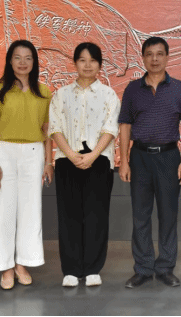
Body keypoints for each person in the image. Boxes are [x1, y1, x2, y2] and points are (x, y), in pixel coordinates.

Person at [118, 37, 181, 289]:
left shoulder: (179, 88)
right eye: (149, 54)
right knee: (140, 216)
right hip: (139, 157)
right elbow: (125, 126)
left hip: (169, 157)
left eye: (160, 54)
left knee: (168, 215)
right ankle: (142, 269)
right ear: (142, 58)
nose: (154, 59)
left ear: (167, 57)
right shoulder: (132, 89)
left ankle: (165, 268)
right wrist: (124, 161)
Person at [48, 42, 120, 288]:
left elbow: (111, 128)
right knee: (68, 215)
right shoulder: (61, 94)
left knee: (96, 215)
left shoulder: (109, 95)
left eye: (93, 60)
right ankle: (70, 269)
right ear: (75, 63)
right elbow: (54, 128)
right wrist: (70, 154)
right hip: (66, 161)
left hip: (98, 161)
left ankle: (92, 269)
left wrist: (92, 156)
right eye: (82, 60)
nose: (87, 65)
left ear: (100, 64)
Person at [0, 39, 53, 290]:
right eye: (17, 57)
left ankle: (23, 263)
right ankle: (4, 266)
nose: (23, 63)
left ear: (34, 62)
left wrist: (49, 162)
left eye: (28, 58)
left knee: (30, 210)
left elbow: (47, 131)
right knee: (1, 210)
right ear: (10, 61)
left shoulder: (44, 92)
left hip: (34, 154)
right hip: (4, 152)